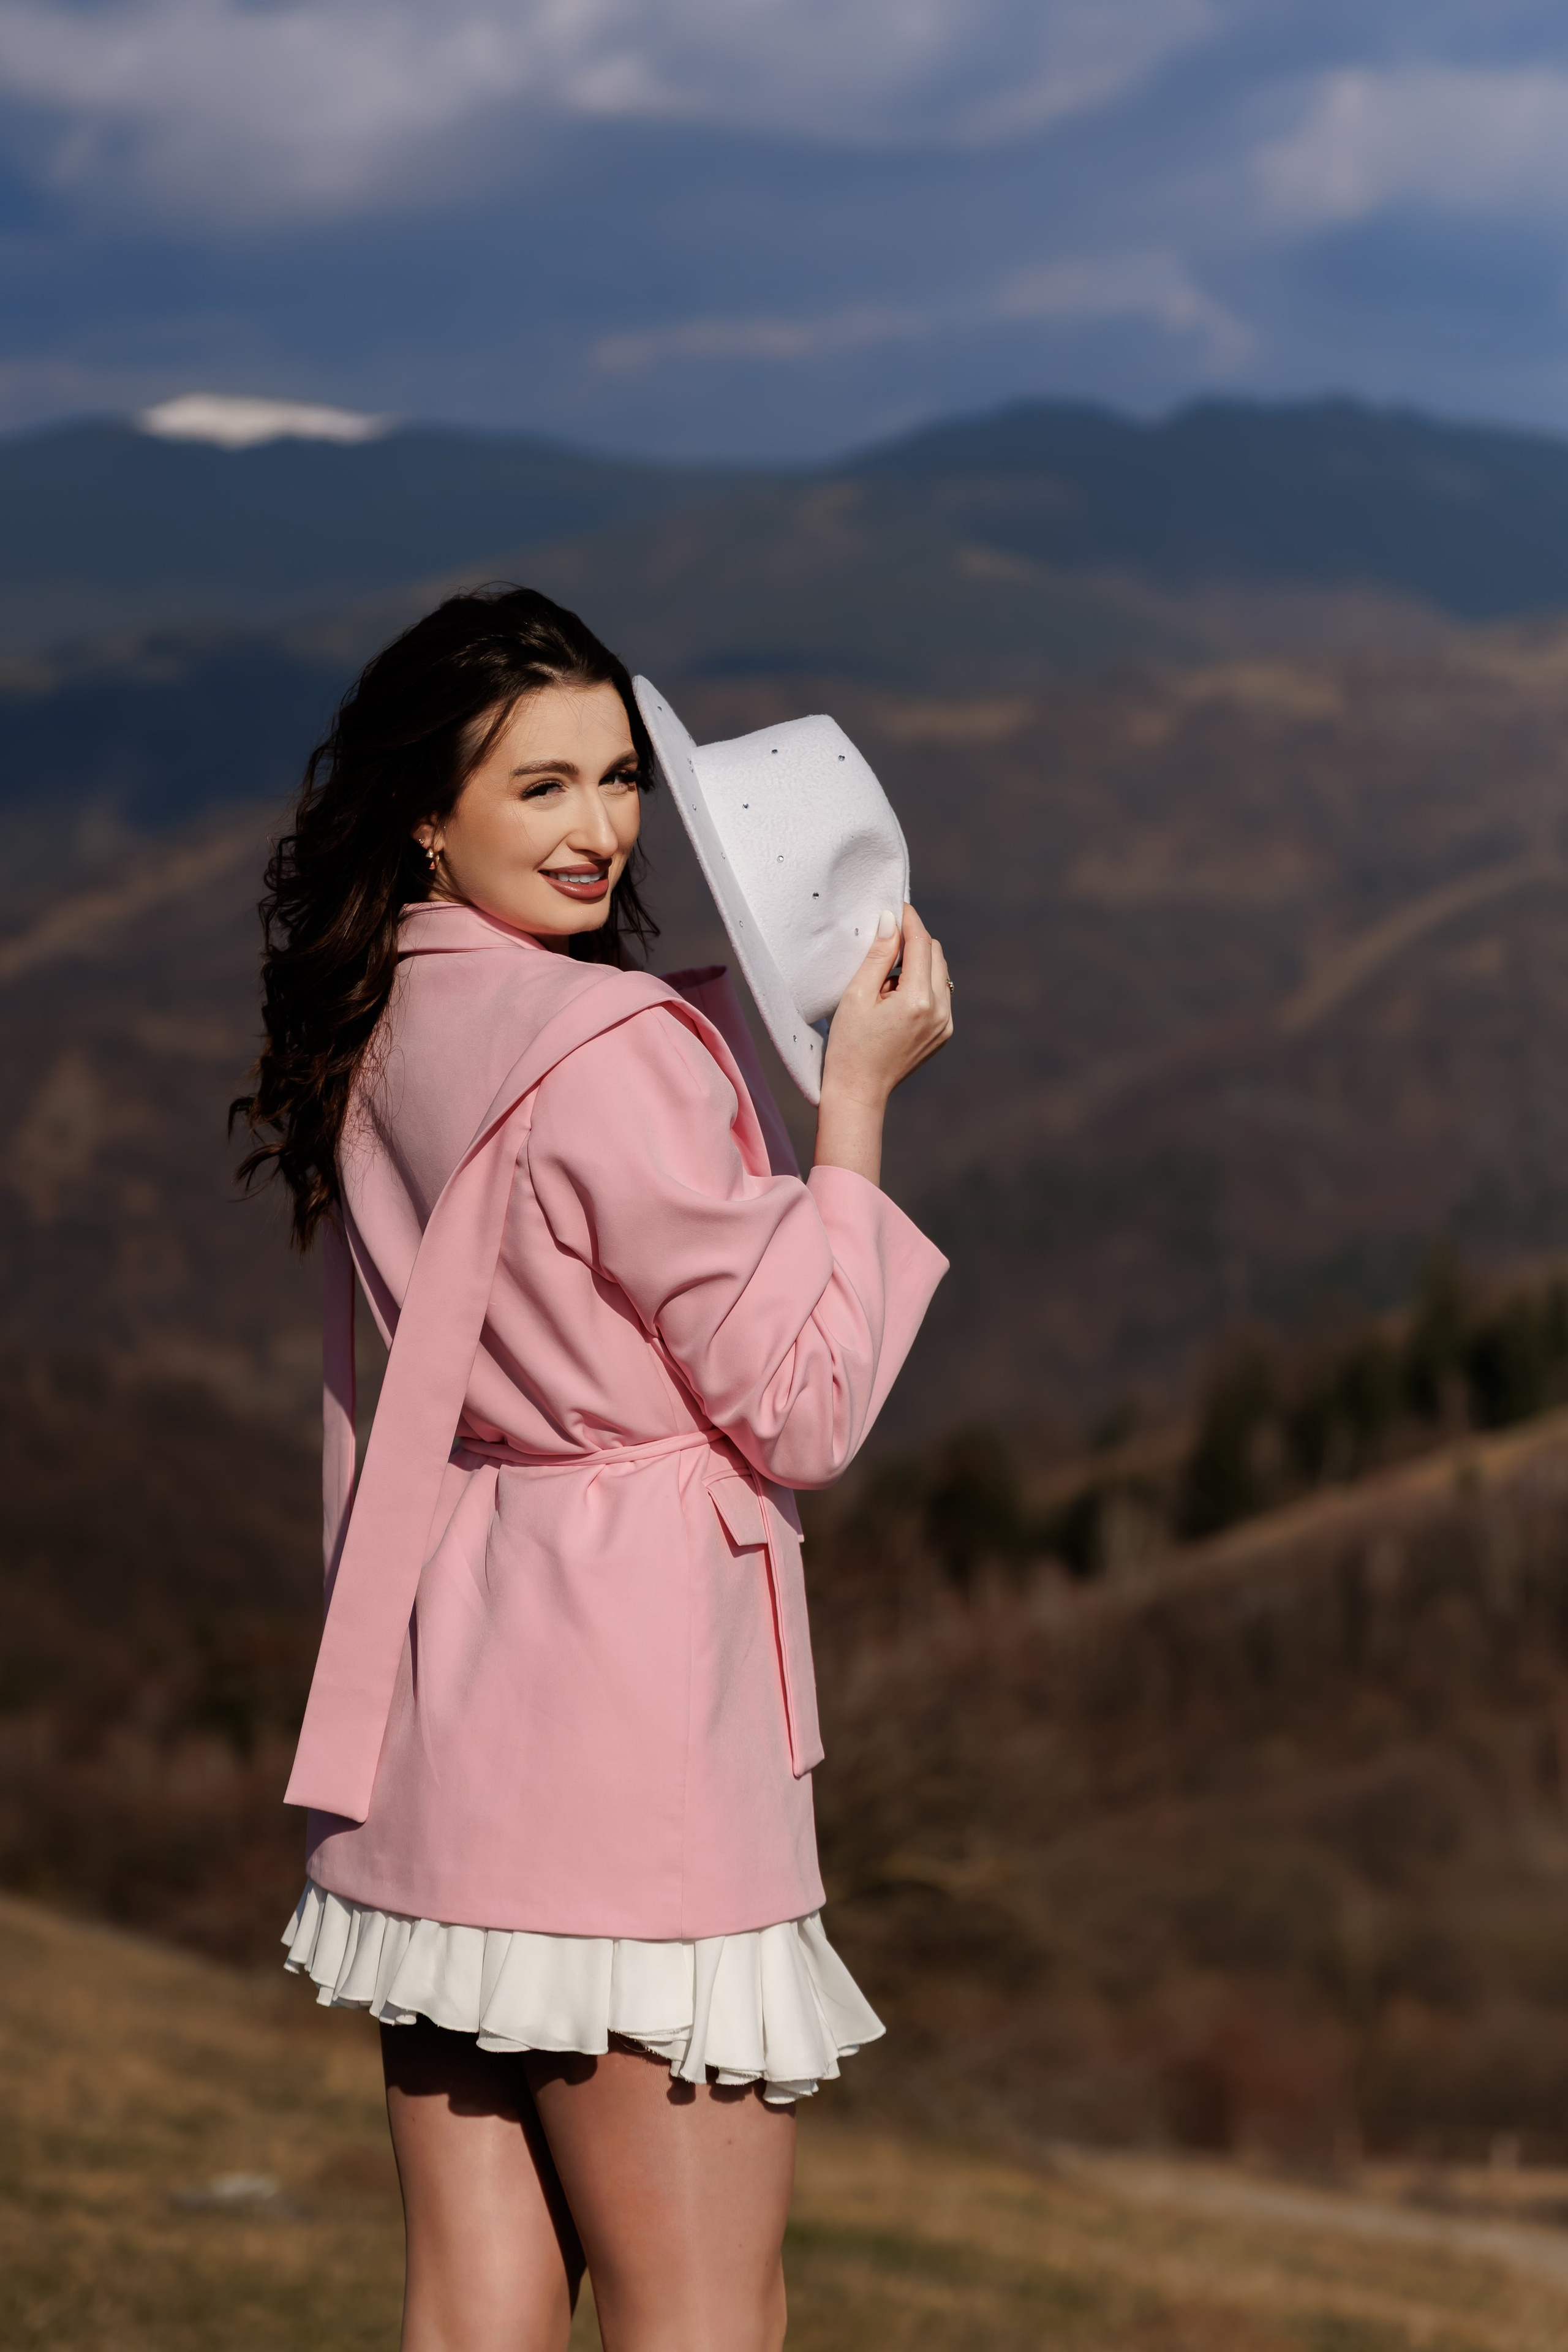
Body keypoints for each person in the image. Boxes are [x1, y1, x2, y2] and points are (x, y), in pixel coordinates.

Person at [233, 585, 952, 2352]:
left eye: (618, 779)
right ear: (428, 806)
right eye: (538, 785)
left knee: (475, 2306)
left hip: (444, 1706)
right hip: (631, 1727)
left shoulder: (387, 1008)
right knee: (704, 2313)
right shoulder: (612, 1054)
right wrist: (852, 1111)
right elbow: (805, 1407)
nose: (600, 828)